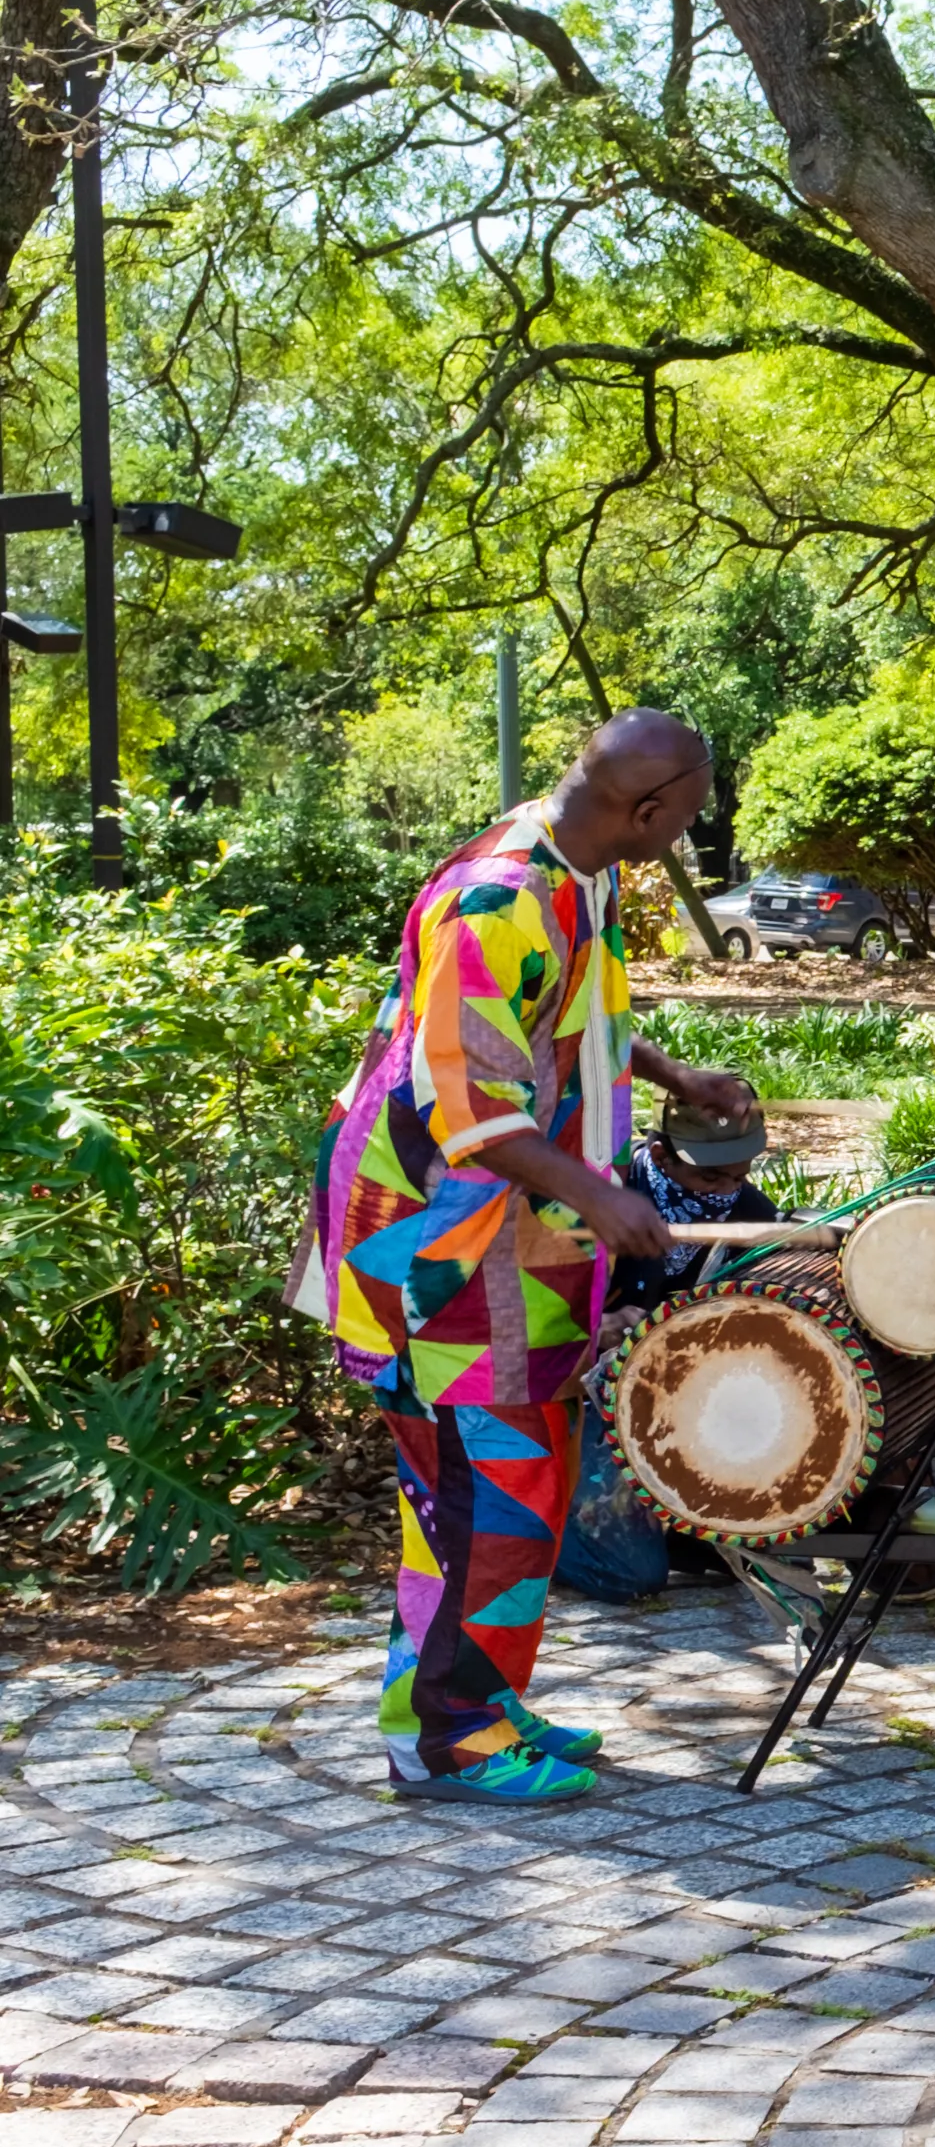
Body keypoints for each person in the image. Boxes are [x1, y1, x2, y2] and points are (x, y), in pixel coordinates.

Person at [295, 709, 756, 1806]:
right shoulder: (495, 898)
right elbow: (473, 1108)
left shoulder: (570, 861)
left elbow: (546, 1019)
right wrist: (604, 1196)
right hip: (431, 1245)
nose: (692, 833)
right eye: (688, 816)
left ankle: (474, 1696)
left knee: (518, 1481)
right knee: (485, 1493)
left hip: (510, 1233)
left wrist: (670, 1075)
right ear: (646, 809)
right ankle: (445, 1737)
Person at [610, 1106, 785, 1320]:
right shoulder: (606, 1193)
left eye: (739, 1178)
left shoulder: (744, 1204)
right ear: (661, 1157)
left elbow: (781, 1246)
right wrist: (598, 1325)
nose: (727, 1190)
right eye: (710, 1179)